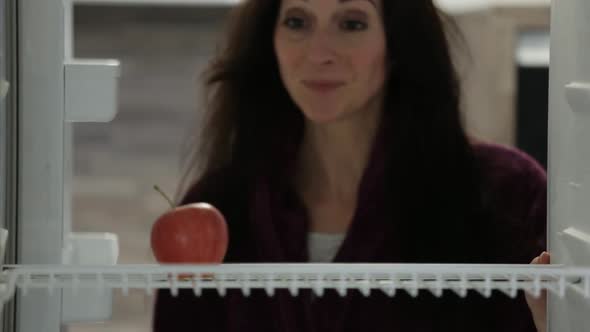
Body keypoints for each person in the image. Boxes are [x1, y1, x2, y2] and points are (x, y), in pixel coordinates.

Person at [154, 0, 549, 331]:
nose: (319, 53)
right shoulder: (221, 205)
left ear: (398, 41)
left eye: (351, 23)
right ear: (269, 40)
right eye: (297, 22)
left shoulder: (507, 193)